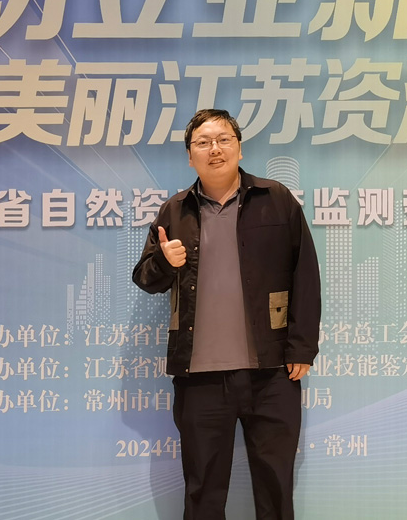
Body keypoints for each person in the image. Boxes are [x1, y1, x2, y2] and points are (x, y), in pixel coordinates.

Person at [132, 109, 322, 520]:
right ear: (190, 157)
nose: (214, 149)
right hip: (199, 378)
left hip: (271, 373)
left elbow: (305, 274)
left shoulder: (276, 200)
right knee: (202, 491)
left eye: (223, 140)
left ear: (239, 148)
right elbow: (146, 279)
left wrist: (302, 347)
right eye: (202, 142)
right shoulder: (174, 211)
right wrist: (165, 261)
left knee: (275, 488)